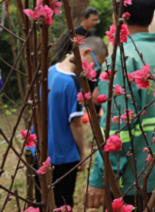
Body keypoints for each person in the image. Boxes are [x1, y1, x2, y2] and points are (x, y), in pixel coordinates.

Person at [86, 0, 155, 207]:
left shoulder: (122, 59)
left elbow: (116, 128)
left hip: (129, 179)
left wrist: (99, 177)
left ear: (119, 16)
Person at [35, 35, 107, 211]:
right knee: (63, 203)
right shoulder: (71, 81)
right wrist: (82, 156)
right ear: (86, 52)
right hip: (63, 156)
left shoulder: (50, 71)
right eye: (96, 64)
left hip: (40, 150)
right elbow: (75, 124)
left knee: (42, 201)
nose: (95, 70)